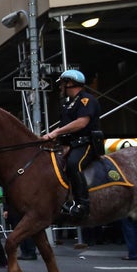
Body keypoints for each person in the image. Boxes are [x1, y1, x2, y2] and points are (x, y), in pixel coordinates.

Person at [42, 69, 102, 219]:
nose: (60, 87)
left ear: (71, 83)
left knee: (74, 164)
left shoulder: (86, 100)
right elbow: (65, 128)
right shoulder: (68, 105)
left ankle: (83, 204)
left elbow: (81, 123)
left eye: (62, 84)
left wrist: (55, 132)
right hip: (70, 145)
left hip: (86, 144)